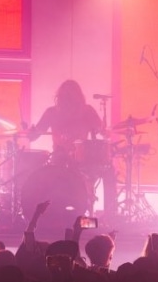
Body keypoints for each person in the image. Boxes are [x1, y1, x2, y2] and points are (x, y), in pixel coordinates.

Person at [26, 79, 117, 223]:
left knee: (107, 171)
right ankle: (104, 216)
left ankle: (100, 214)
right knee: (104, 173)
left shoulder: (84, 111)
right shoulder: (61, 111)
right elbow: (34, 135)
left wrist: (31, 133)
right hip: (64, 158)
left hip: (77, 158)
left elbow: (34, 136)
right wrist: (29, 131)